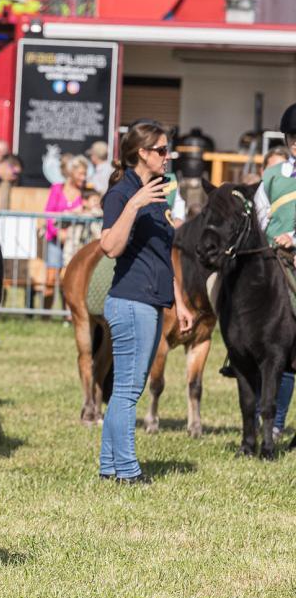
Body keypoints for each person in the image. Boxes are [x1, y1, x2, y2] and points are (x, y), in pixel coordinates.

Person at [99, 121, 194, 483]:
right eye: (161, 150)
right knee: (128, 390)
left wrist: (180, 302)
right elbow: (110, 247)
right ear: (142, 152)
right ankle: (128, 470)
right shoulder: (123, 193)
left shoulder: (157, 193)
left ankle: (110, 467)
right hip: (130, 301)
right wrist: (134, 204)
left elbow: (162, 255)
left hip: (152, 301)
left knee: (126, 389)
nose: (167, 157)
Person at [253, 104, 296, 440]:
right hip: (270, 257)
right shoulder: (272, 175)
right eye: (293, 137)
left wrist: (293, 237)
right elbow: (259, 216)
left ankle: (277, 420)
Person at [42, 155, 87, 311]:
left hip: (76, 241)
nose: (84, 177)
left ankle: (68, 315)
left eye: (85, 173)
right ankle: (45, 315)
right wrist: (58, 232)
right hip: (55, 240)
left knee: (71, 277)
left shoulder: (85, 192)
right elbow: (48, 214)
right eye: (80, 173)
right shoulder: (57, 189)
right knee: (50, 278)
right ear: (71, 173)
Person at [63, 188, 103, 265]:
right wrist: (75, 212)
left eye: (98, 201)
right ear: (84, 202)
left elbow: (97, 213)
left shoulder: (97, 214)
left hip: (89, 252)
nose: (97, 203)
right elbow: (60, 220)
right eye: (94, 200)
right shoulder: (77, 214)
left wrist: (82, 215)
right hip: (73, 251)